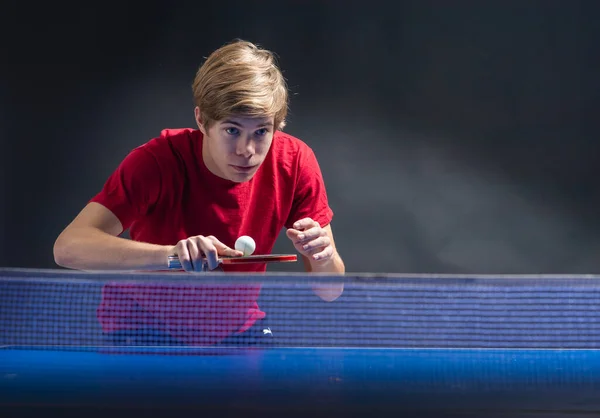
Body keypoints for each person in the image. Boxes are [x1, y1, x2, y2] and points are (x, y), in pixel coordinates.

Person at [53, 39, 345, 347]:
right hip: (141, 330)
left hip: (237, 330)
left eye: (261, 132)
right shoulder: (157, 161)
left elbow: (330, 290)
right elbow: (68, 248)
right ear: (201, 120)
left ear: (278, 125)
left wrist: (321, 255)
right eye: (232, 130)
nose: (247, 151)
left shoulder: (295, 162)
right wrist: (171, 256)